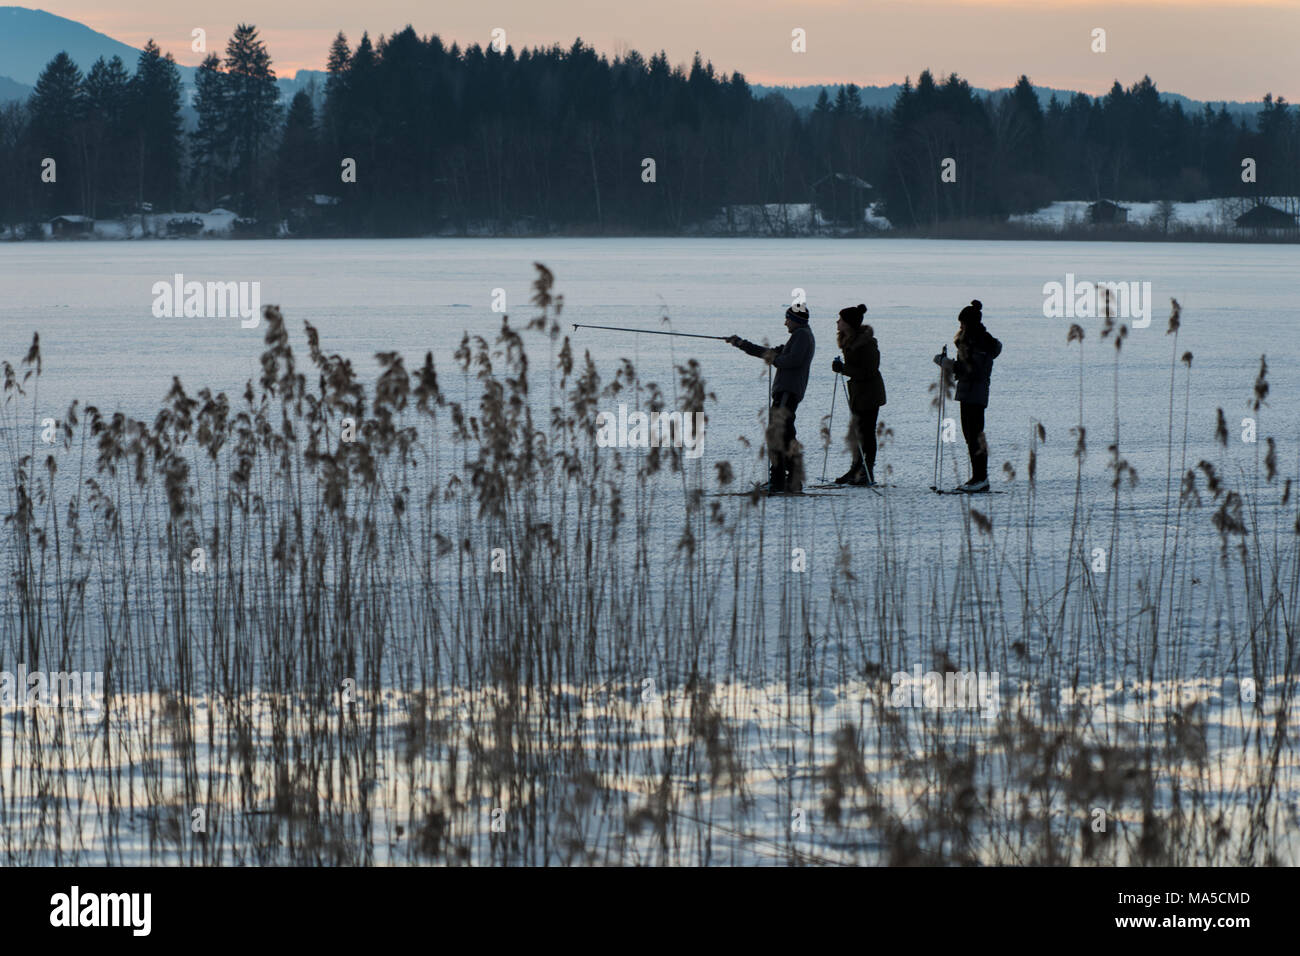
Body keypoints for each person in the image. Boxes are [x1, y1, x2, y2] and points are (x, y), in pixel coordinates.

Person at [727, 303, 816, 494]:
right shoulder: (798, 336)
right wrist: (742, 344)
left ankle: (780, 481)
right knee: (784, 435)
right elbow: (770, 353)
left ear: (796, 320)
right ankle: (788, 481)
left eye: (788, 319)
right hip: (787, 392)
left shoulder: (802, 336)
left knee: (777, 435)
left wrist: (776, 360)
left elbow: (793, 360)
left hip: (788, 392)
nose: (785, 323)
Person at [934, 299, 1001, 493]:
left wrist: (947, 363)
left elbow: (973, 370)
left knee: (974, 436)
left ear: (969, 324)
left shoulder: (978, 341)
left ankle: (981, 478)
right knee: (971, 436)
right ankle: (977, 477)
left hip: (975, 392)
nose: (960, 326)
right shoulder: (974, 340)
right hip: (969, 391)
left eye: (962, 323)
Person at [830, 304, 886, 486]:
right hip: (858, 393)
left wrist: (844, 368)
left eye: (841, 319)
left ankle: (865, 471)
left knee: (867, 432)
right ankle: (856, 468)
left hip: (869, 394)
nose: (838, 322)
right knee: (858, 432)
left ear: (849, 323)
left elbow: (869, 370)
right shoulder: (849, 340)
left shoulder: (866, 343)